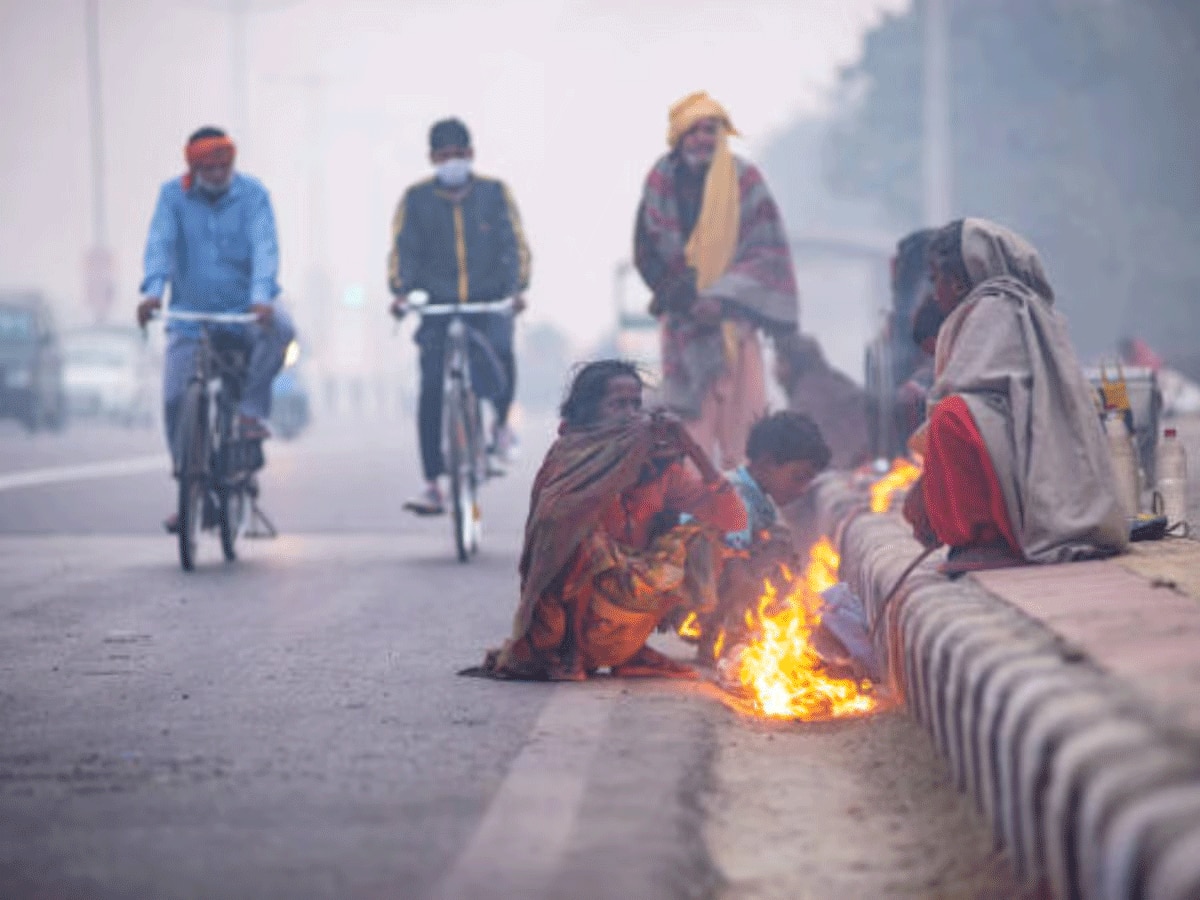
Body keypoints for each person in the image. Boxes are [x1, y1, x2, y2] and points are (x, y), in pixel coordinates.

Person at [476, 360, 746, 681]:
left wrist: (690, 447)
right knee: (581, 537)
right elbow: (551, 535)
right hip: (567, 620)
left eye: (636, 404)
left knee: (704, 538)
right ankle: (570, 651)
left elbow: (733, 518)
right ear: (590, 413)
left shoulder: (659, 466)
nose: (631, 413)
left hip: (629, 608)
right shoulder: (571, 457)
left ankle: (637, 649)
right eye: (618, 404)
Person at [902, 218, 1128, 575]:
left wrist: (926, 490)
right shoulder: (1009, 306)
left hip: (1024, 461)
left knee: (951, 418)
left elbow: (963, 397)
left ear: (959, 282)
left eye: (935, 280)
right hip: (1019, 450)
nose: (934, 293)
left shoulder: (995, 308)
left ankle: (989, 539)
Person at [136, 126, 294, 532]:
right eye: (210, 166)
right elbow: (160, 244)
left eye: (225, 164)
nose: (219, 172)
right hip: (190, 318)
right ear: (193, 166)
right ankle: (192, 489)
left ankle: (250, 412)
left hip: (245, 313)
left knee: (282, 330)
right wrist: (153, 292)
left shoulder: (253, 195)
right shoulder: (173, 197)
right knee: (175, 398)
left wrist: (261, 296)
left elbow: (265, 247)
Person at [634, 91, 800, 470]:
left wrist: (723, 298)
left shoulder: (746, 180)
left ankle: (743, 522)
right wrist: (685, 299)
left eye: (710, 129)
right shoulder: (660, 181)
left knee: (746, 435)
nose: (703, 138)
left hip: (736, 328)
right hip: (683, 331)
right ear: (679, 136)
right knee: (688, 437)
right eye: (693, 131)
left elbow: (766, 250)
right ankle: (694, 522)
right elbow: (647, 252)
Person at [388, 118, 531, 516]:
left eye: (459, 154)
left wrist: (517, 289)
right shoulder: (416, 201)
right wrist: (401, 292)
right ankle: (432, 482)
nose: (452, 161)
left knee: (501, 350)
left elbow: (514, 244)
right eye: (444, 155)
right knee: (432, 387)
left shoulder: (494, 194)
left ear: (471, 154)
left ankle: (500, 427)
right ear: (433, 158)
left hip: (487, 304)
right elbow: (403, 252)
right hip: (436, 308)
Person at [692, 410, 832, 661]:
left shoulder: (755, 495)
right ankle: (723, 638)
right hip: (691, 589)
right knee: (773, 554)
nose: (801, 490)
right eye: (797, 478)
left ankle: (725, 634)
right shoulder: (737, 494)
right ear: (766, 465)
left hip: (705, 583)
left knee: (778, 546)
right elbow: (736, 569)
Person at [773, 332, 871, 470]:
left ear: (791, 364)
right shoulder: (841, 382)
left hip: (841, 475)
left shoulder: (803, 403)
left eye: (779, 361)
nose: (774, 370)